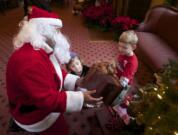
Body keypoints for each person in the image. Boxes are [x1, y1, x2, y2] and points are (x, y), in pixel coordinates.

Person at [6, 6, 102, 135]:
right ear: (43, 30)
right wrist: (81, 98)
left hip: (40, 101)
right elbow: (45, 99)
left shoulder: (37, 46)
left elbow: (52, 72)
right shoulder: (30, 61)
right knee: (61, 131)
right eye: (56, 31)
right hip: (34, 114)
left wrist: (78, 81)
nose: (59, 34)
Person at [112, 30, 138, 105]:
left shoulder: (132, 63)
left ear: (133, 47)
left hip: (123, 84)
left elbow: (124, 81)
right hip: (117, 77)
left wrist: (115, 85)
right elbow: (118, 61)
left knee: (117, 98)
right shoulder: (124, 53)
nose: (120, 49)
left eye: (124, 47)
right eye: (119, 46)